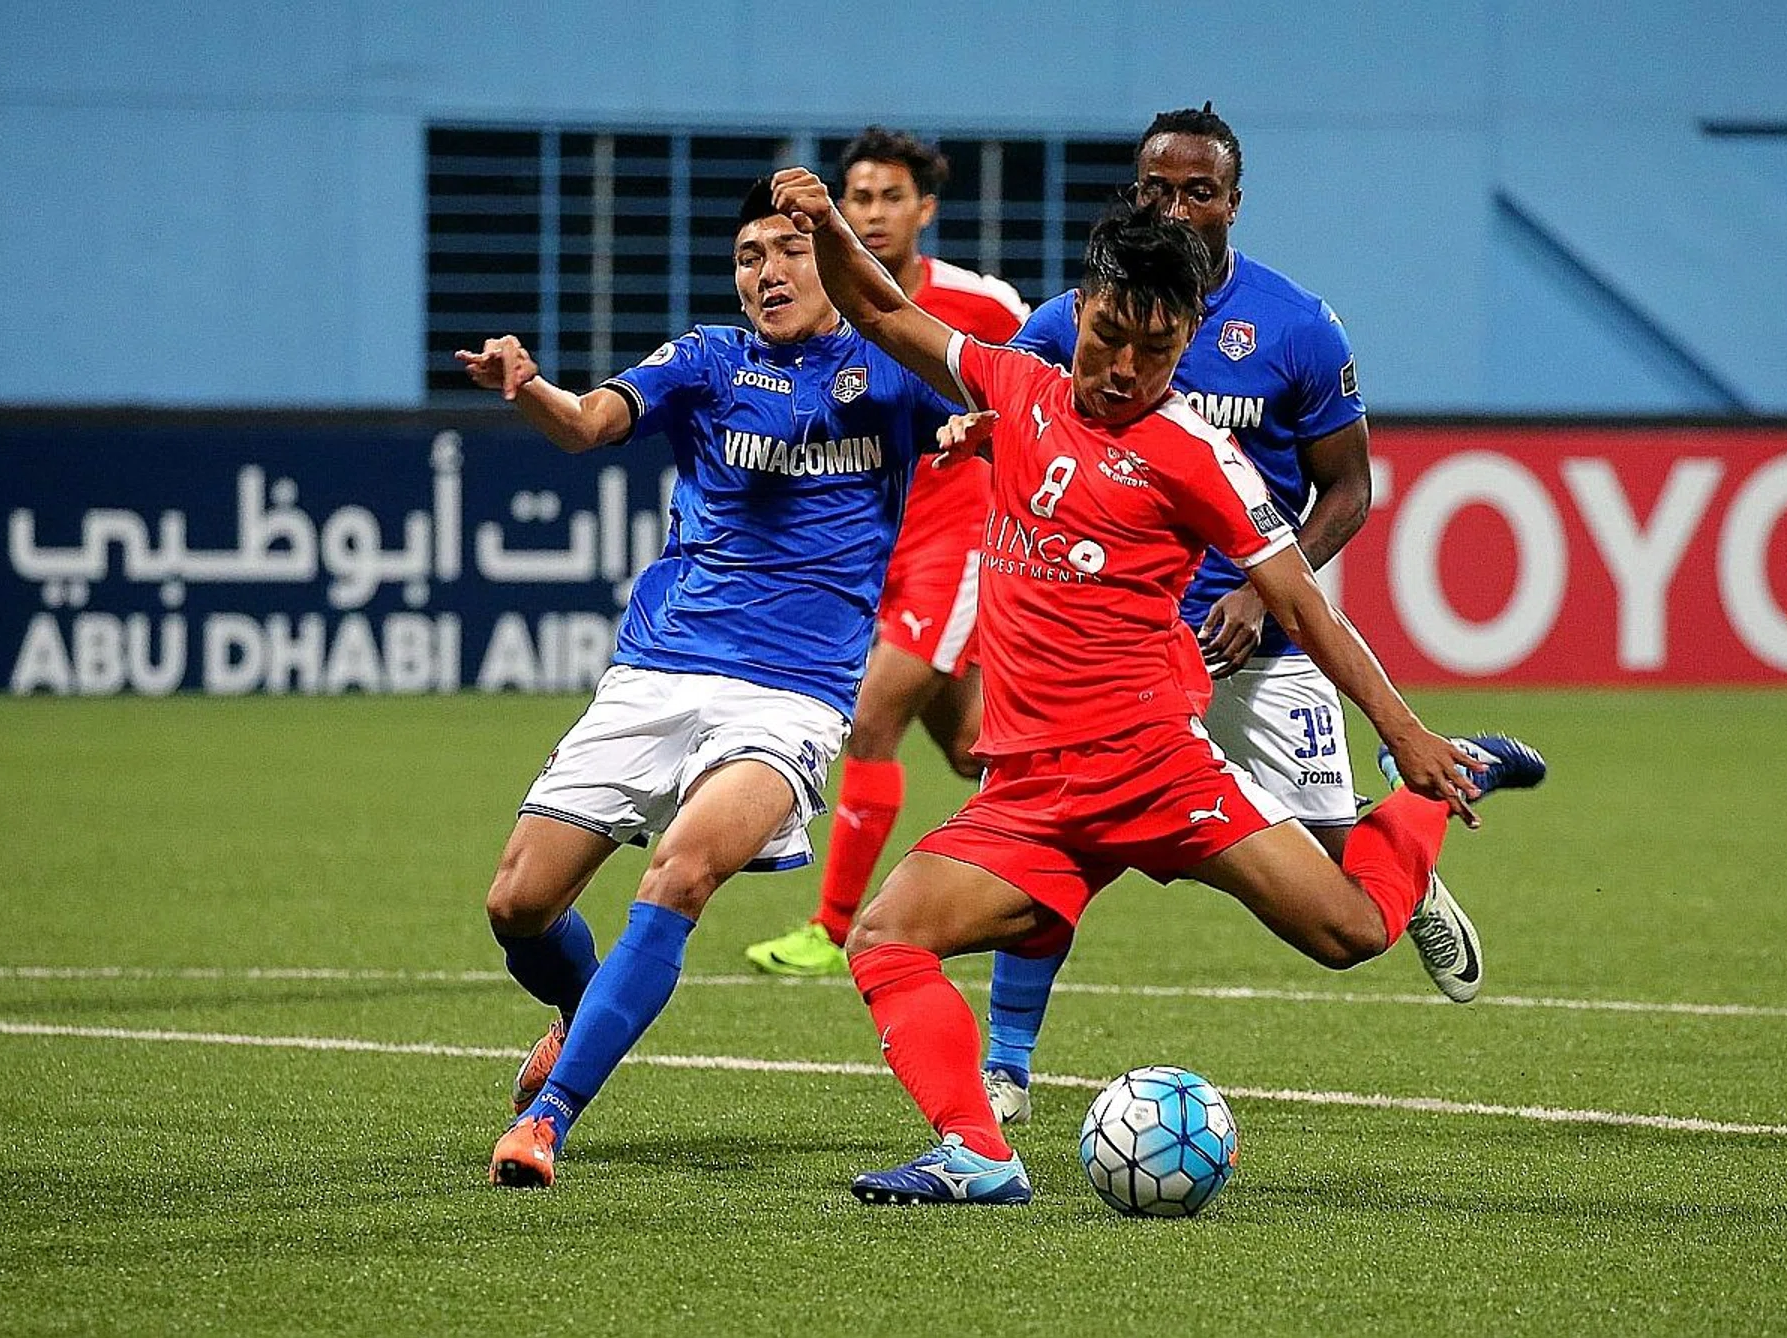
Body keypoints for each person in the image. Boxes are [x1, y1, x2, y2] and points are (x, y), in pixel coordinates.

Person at [766, 166, 1545, 1205]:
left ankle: (1433, 794)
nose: (1126, 368)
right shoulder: (1015, 384)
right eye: (1109, 339)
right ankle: (979, 1153)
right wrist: (821, 226)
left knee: (1354, 934)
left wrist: (1403, 733)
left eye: (1156, 349)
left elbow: (1306, 607)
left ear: (1184, 346)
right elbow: (874, 304)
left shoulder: (1198, 455)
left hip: (1154, 772)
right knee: (886, 935)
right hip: (1033, 793)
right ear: (1079, 311)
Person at [982, 104, 1475, 1128]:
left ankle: (1408, 868)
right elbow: (1019, 406)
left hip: (1260, 640)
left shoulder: (1296, 325)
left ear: (1233, 202)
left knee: (1336, 861)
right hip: (1120, 653)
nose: (1177, 206)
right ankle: (1007, 1066)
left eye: (1198, 190)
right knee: (1054, 841)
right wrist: (965, 430)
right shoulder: (1080, 315)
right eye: (1157, 189)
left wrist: (1258, 589)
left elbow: (1348, 491)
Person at [463, 179, 960, 1189]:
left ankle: (549, 1122)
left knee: (681, 874)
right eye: (748, 255)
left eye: (788, 249)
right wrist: (531, 388)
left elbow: (986, 403)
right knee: (517, 905)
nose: (767, 271)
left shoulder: (894, 366)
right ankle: (581, 1008)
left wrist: (965, 435)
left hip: (794, 693)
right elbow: (592, 425)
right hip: (659, 669)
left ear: (830, 259)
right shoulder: (705, 358)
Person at [745, 127, 1028, 979]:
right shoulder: (821, 299)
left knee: (870, 715)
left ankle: (832, 930)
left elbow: (1041, 384)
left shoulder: (984, 304)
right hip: (878, 543)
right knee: (978, 748)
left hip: (963, 540)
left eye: (889, 197)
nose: (872, 213)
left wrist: (992, 438)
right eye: (858, 196)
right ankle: (1071, 827)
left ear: (925, 210)